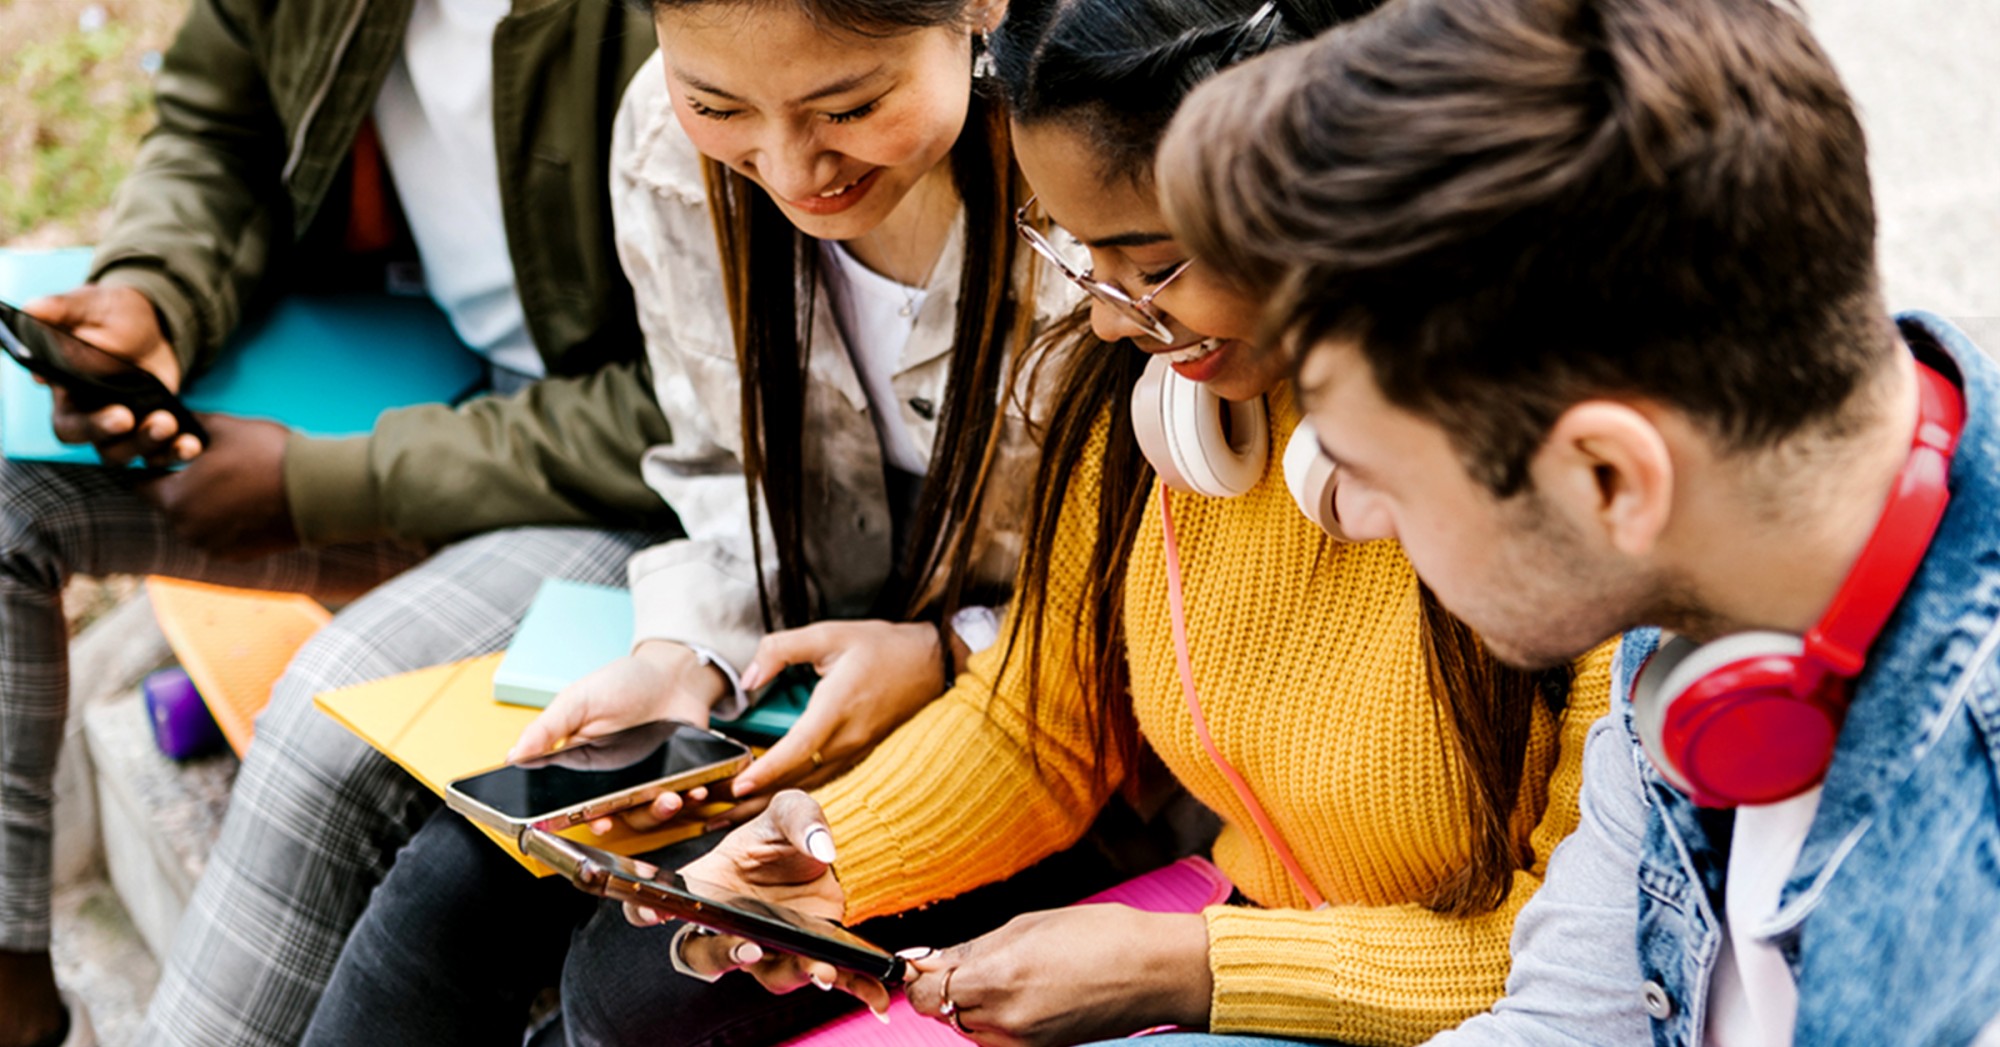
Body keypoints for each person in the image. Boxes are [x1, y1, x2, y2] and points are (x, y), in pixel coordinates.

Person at [562, 0, 1617, 1043]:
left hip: (1430, 995)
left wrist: (1185, 969)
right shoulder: (1156, 402)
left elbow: (1573, 970)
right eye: (1074, 253)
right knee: (633, 989)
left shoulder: (1587, 497)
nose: (1111, 316)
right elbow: (1036, 722)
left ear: (1347, 198)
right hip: (1230, 918)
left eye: (1155, 268)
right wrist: (833, 851)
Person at [1153, 0, 2000, 1042]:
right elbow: (1565, 1023)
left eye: (1382, 470)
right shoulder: (1704, 605)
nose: (1357, 516)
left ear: (1606, 478)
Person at [295, 0, 1122, 1041]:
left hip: (1048, 727)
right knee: (454, 884)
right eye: (717, 102)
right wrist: (690, 653)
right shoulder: (663, 148)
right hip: (802, 691)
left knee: (637, 989)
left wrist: (951, 653)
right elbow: (718, 455)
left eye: (850, 105)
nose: (787, 169)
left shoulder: (1091, 195)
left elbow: (1159, 593)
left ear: (976, 10)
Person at [1, 1, 665, 1044]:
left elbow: (713, 408)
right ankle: (13, 1003)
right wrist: (156, 291)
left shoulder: (683, 32)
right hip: (421, 384)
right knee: (11, 498)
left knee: (332, 715)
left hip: (641, 496)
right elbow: (222, 127)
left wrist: (322, 485)